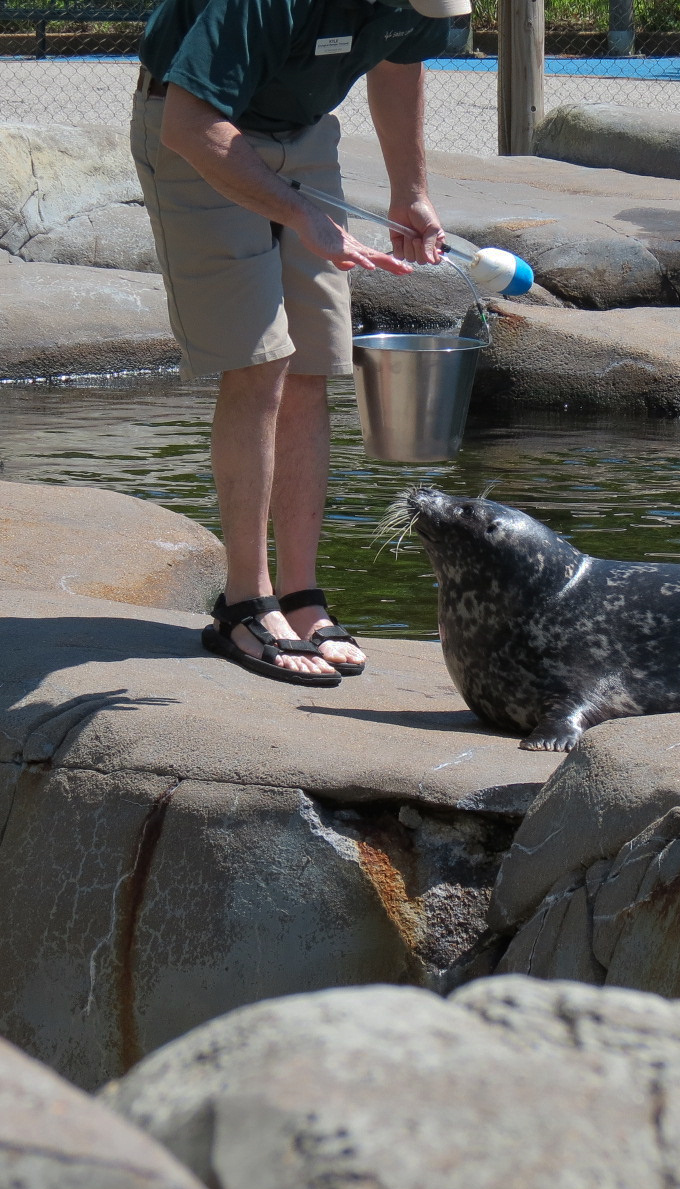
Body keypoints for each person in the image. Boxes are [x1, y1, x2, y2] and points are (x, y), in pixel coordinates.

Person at [130, 0, 467, 687]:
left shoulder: (423, 4)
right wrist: (298, 213)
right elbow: (188, 123)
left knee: (313, 360)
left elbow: (400, 59)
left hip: (305, 134)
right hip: (204, 134)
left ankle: (300, 595)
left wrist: (411, 190)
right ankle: (243, 605)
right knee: (262, 359)